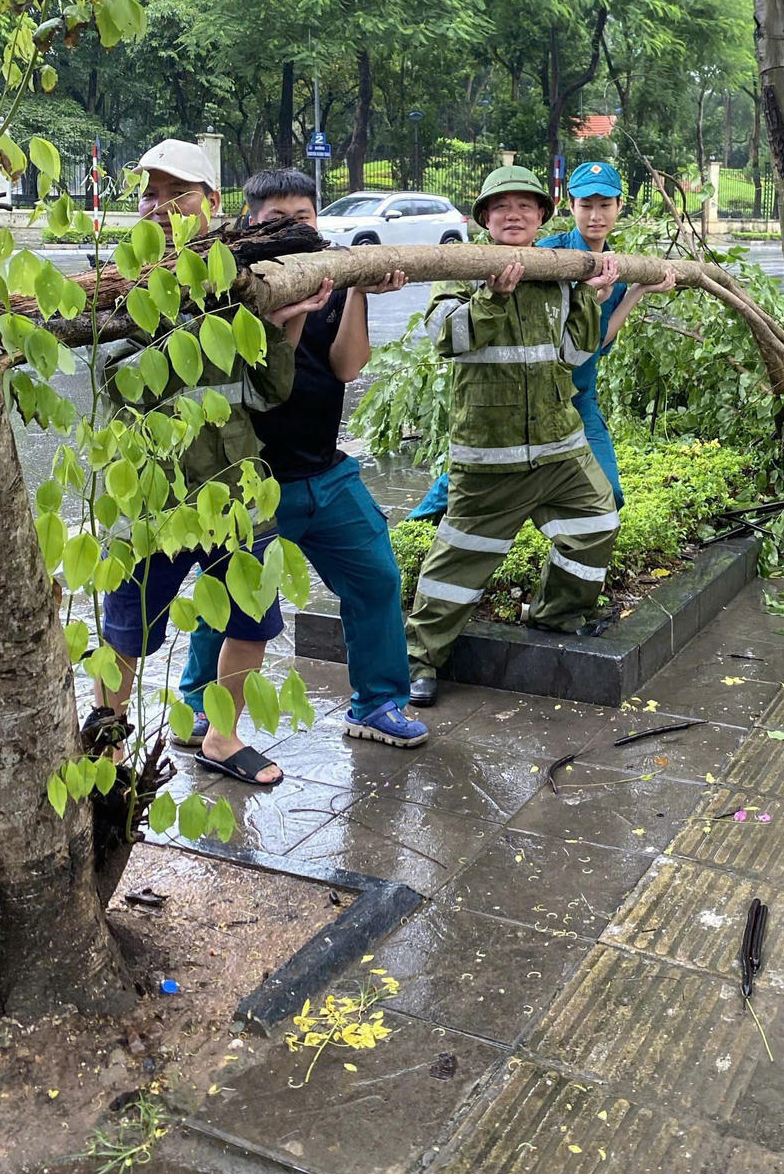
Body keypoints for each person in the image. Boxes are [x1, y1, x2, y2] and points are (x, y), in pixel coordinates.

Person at [96, 140, 333, 789]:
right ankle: (106, 750)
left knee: (252, 621)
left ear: (211, 204)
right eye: (151, 194)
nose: (161, 207)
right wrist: (182, 315)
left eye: (179, 194)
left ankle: (223, 739)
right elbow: (121, 383)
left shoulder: (239, 277)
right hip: (155, 499)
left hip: (236, 490)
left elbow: (264, 392)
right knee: (124, 633)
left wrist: (286, 323)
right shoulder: (122, 280)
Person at [177, 168, 429, 749]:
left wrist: (360, 288)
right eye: (275, 220)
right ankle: (199, 703)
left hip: (325, 472)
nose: (292, 229)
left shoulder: (333, 281)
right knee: (233, 597)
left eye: (304, 218)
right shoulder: (229, 288)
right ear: (249, 225)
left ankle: (377, 703)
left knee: (377, 580)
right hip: (249, 480)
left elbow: (347, 368)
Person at [404, 165, 620, 708]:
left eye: (526, 206)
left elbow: (572, 357)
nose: (514, 214)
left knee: (597, 525)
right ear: (484, 220)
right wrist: (493, 299)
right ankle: (419, 662)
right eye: (501, 207)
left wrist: (591, 297)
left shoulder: (556, 273)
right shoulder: (462, 271)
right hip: (489, 457)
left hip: (559, 448)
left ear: (543, 216)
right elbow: (447, 338)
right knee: (460, 561)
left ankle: (555, 614)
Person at [407, 161, 675, 516]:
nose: (596, 216)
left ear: (619, 207)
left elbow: (599, 341)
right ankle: (417, 525)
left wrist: (635, 290)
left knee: (605, 493)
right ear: (569, 205)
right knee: (470, 479)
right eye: (586, 205)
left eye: (605, 205)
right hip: (526, 396)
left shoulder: (614, 266)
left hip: (578, 395)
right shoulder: (544, 256)